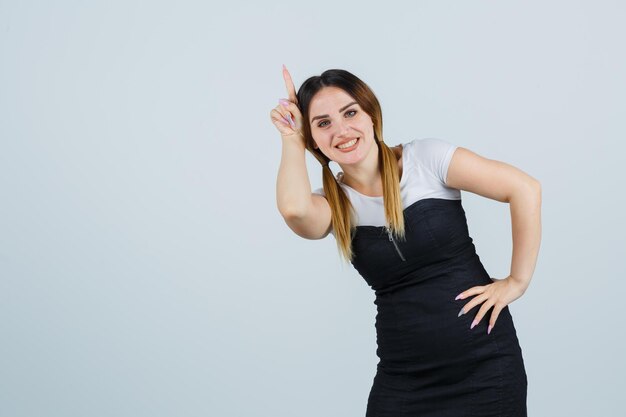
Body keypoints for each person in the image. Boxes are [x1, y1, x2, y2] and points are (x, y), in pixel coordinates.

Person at [270, 64, 541, 416]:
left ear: (371, 115)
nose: (341, 130)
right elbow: (293, 211)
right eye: (322, 123)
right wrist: (292, 138)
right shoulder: (333, 204)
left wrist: (517, 282)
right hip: (404, 379)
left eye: (350, 112)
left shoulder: (426, 160)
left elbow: (524, 189)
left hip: (486, 368)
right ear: (313, 138)